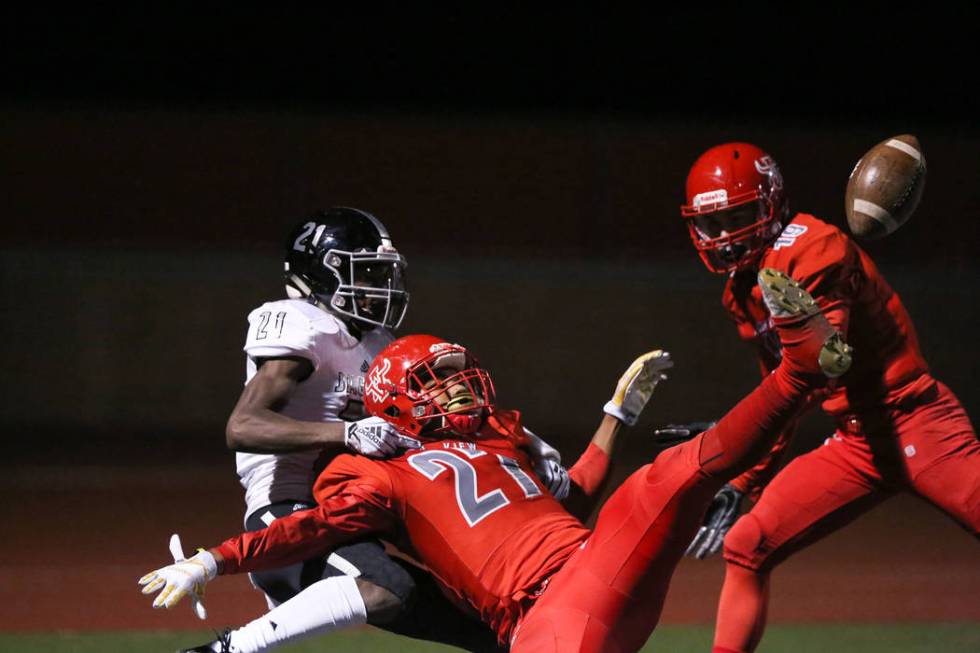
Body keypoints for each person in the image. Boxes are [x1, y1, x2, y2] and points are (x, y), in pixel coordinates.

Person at [140, 266, 853, 653]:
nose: (454, 386)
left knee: (669, 477)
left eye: (454, 371)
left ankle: (799, 371)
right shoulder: (376, 466)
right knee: (667, 480)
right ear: (395, 402)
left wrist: (616, 415)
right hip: (546, 621)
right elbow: (307, 531)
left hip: (598, 571)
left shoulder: (498, 436)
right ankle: (797, 373)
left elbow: (572, 495)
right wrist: (213, 560)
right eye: (433, 379)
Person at [184, 207, 586, 653]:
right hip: (294, 508)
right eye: (367, 272)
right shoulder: (304, 324)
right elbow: (243, 426)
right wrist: (346, 434)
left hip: (372, 505)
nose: (379, 286)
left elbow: (430, 416)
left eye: (381, 273)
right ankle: (225, 650)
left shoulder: (378, 342)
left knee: (493, 625)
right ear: (320, 274)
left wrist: (522, 442)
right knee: (388, 587)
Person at [677, 142, 980, 653]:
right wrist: (745, 478)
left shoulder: (813, 246)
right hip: (855, 442)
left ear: (770, 205)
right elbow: (779, 389)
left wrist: (732, 439)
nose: (726, 239)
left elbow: (818, 367)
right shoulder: (742, 292)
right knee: (746, 545)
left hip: (916, 422)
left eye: (739, 218)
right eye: (715, 225)